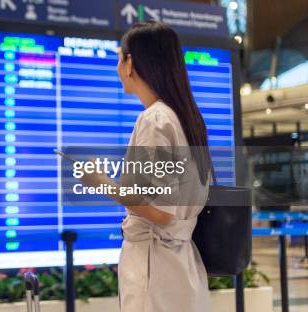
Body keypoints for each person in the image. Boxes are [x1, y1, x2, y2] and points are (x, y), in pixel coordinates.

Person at [82, 21, 212, 311]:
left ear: (130, 63)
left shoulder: (154, 120)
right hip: (181, 266)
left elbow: (160, 212)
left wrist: (98, 181)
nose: (117, 68)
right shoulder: (185, 118)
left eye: (119, 58)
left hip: (154, 269)